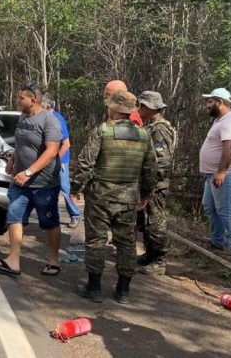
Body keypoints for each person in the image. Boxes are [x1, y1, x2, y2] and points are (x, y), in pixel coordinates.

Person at [72, 91, 157, 304]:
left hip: (100, 195)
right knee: (127, 243)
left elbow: (86, 163)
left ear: (116, 109)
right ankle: (123, 291)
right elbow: (150, 170)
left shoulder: (102, 131)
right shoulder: (144, 136)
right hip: (128, 198)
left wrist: (76, 186)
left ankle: (94, 287)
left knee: (96, 241)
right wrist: (145, 194)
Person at [0, 83, 62, 277]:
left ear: (33, 100)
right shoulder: (23, 117)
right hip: (21, 182)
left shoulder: (49, 121)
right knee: (14, 215)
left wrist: (29, 172)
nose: (18, 101)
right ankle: (13, 260)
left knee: (50, 222)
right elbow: (21, 144)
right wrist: (12, 160)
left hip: (44, 184)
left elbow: (52, 151)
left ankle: (54, 261)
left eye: (21, 98)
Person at [199, 87, 231, 259]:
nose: (207, 105)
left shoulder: (229, 122)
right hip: (212, 175)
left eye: (210, 102)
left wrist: (221, 172)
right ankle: (217, 241)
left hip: (224, 175)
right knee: (210, 207)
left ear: (220, 102)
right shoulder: (220, 120)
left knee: (226, 211)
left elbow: (230, 147)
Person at [136, 91, 177, 275]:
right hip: (146, 182)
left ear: (149, 107)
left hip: (156, 185)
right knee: (145, 220)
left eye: (141, 105)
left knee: (156, 221)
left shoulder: (160, 129)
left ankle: (159, 260)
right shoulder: (150, 126)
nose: (138, 108)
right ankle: (150, 254)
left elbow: (162, 161)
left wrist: (151, 183)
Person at [41, 94, 82, 228]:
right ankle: (52, 216)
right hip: (47, 159)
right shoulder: (42, 118)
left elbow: (66, 144)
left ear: (48, 107)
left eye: (42, 107)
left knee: (64, 189)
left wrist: (56, 159)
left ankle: (75, 215)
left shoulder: (58, 119)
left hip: (60, 160)